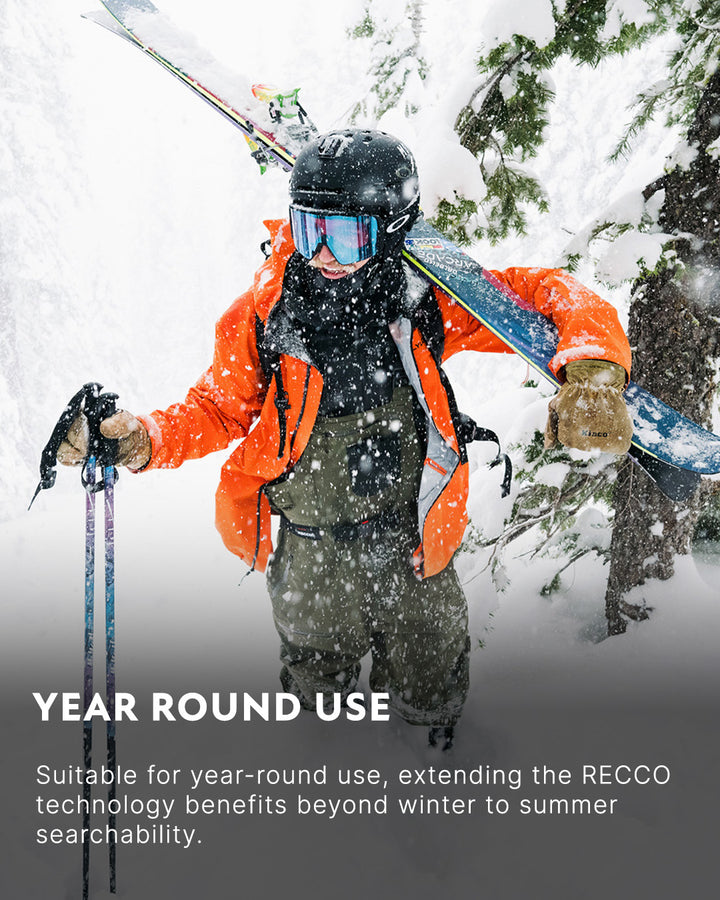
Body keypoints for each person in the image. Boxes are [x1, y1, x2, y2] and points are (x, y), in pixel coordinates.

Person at [58, 129, 633, 749]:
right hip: (311, 555)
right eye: (310, 231)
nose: (324, 254)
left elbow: (545, 295)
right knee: (315, 695)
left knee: (431, 683)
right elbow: (218, 407)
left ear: (390, 230)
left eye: (346, 235)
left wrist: (594, 369)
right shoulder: (269, 313)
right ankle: (324, 777)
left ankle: (437, 770)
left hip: (414, 548)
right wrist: (143, 438)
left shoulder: (425, 298)